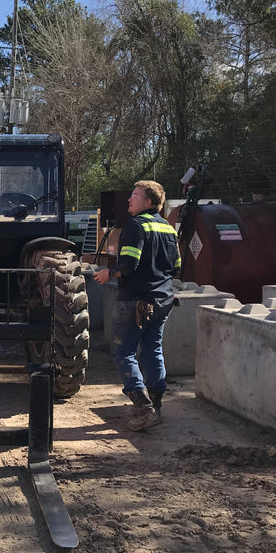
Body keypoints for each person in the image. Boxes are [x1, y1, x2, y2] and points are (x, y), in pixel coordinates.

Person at [93, 181, 181, 431]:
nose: (129, 199)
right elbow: (176, 267)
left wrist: (108, 274)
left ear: (149, 202)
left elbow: (129, 264)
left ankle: (143, 408)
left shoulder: (135, 225)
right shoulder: (168, 228)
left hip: (135, 300)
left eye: (135, 196)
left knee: (124, 351)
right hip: (163, 299)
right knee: (153, 349)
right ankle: (156, 405)